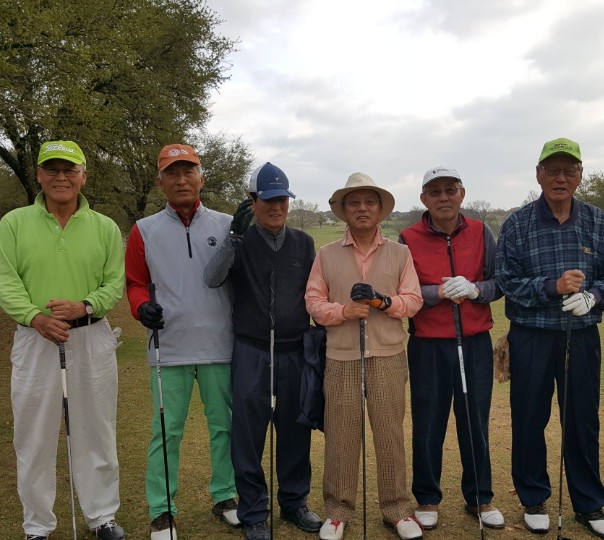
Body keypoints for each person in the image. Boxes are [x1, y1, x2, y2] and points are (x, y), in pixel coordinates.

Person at [496, 138, 604, 539]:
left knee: (582, 420)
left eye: (569, 170)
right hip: (531, 336)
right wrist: (551, 287)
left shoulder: (596, 220)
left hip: (581, 337)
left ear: (580, 175)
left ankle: (589, 504)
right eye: (552, 170)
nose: (560, 177)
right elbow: (507, 280)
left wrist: (595, 295)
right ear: (539, 174)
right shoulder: (518, 224)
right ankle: (534, 498)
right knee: (529, 419)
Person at [0, 140, 126, 540]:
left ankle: (101, 515)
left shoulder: (105, 227)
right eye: (52, 169)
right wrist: (36, 318)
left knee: (96, 431)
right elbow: (7, 282)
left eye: (70, 170)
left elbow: (113, 284)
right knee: (34, 434)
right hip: (36, 340)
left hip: (92, 338)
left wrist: (85, 305)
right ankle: (37, 525)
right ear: (38, 175)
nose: (61, 177)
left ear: (84, 176)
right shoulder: (14, 223)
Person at [124, 144, 240, 540]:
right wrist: (141, 308)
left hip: (219, 346)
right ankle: (162, 510)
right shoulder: (144, 230)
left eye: (188, 171)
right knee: (166, 431)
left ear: (201, 178)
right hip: (168, 347)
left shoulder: (227, 224)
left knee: (224, 426)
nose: (181, 179)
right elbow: (136, 283)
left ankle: (225, 494)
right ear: (160, 182)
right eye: (172, 173)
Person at [204, 162, 323, 540]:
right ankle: (254, 511)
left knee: (295, 431)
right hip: (251, 350)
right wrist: (234, 238)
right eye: (268, 200)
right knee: (248, 434)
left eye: (282, 200)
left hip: (294, 351)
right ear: (252, 201)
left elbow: (315, 292)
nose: (277, 207)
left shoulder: (303, 243)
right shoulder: (241, 240)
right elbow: (212, 278)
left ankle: (294, 502)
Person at [305, 173, 424, 540]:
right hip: (341, 357)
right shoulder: (326, 254)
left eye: (369, 202)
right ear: (344, 210)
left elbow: (413, 300)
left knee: (389, 434)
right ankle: (338, 511)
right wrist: (342, 311)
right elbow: (313, 301)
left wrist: (381, 302)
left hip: (388, 355)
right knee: (341, 436)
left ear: (380, 209)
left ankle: (397, 509)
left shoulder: (400, 253)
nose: (362, 208)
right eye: (354, 202)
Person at [398, 166, 504, 531]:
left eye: (450, 189)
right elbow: (404, 291)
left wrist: (476, 289)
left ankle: (480, 497)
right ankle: (427, 497)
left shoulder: (481, 231)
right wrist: (436, 292)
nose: (443, 197)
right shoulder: (408, 238)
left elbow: (499, 282)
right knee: (428, 424)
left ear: (462, 193)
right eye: (435, 192)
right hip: (428, 344)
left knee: (475, 421)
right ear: (424, 198)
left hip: (474, 341)